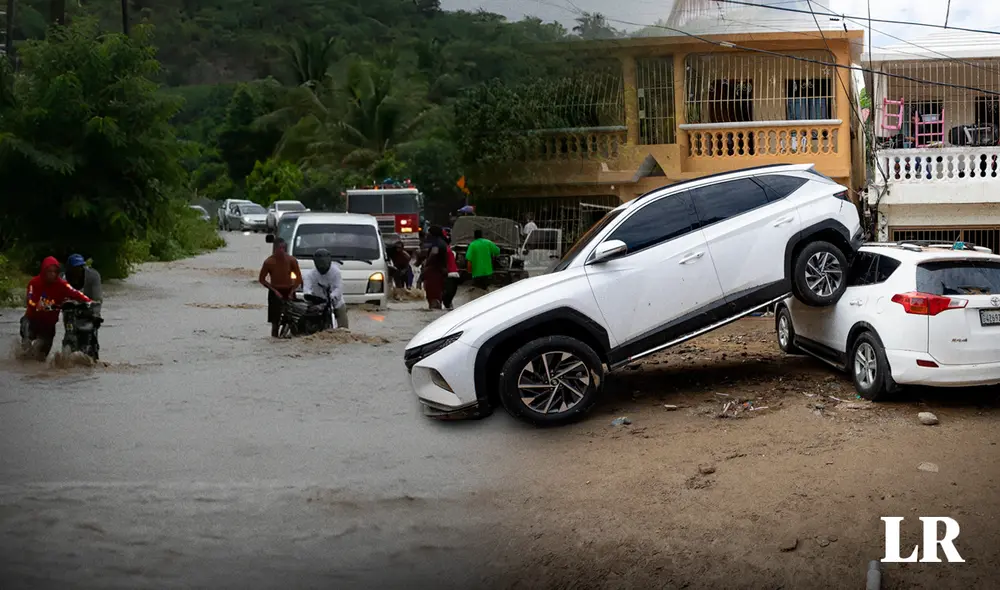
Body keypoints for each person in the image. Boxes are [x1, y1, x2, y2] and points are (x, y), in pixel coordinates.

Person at [21, 256, 92, 361]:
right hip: (32, 321)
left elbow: (76, 293)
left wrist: (89, 301)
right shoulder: (34, 283)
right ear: (44, 271)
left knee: (41, 359)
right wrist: (36, 305)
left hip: (48, 327)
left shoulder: (62, 285)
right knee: (26, 345)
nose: (52, 274)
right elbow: (29, 300)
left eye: (55, 271)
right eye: (49, 271)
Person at [259, 237, 303, 337]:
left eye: (284, 248)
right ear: (275, 249)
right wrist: (274, 290)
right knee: (275, 323)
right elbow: (262, 280)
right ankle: (274, 341)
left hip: (289, 290)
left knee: (293, 319)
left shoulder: (292, 260)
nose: (282, 251)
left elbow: (299, 278)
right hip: (275, 292)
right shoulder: (268, 262)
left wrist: (292, 291)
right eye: (280, 248)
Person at [301, 249, 349, 330]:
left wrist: (333, 296)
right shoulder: (310, 275)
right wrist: (309, 295)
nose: (322, 266)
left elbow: (339, 288)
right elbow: (306, 288)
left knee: (343, 325)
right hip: (317, 303)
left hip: (335, 302)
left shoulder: (336, 272)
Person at [420, 226, 448, 310]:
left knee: (433, 295)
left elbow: (434, 253)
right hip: (440, 272)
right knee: (438, 294)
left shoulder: (436, 243)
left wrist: (426, 263)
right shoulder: (442, 242)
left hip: (434, 272)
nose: (427, 234)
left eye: (429, 233)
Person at [442, 231, 460, 310]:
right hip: (449, 274)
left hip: (453, 274)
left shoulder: (449, 249)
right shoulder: (445, 249)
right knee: (448, 295)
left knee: (450, 295)